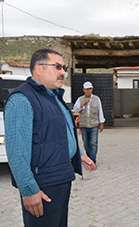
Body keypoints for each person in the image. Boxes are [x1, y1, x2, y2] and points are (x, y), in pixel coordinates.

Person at [4, 48, 96, 227]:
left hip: (61, 177)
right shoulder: (22, 100)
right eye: (58, 67)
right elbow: (16, 152)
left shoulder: (54, 97)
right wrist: (29, 190)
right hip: (42, 185)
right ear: (39, 68)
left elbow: (62, 132)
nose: (63, 72)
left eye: (64, 68)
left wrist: (79, 154)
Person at [73, 81, 105, 164]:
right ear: (83, 90)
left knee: (93, 143)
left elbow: (100, 111)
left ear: (92, 89)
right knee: (86, 144)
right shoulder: (80, 99)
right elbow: (75, 111)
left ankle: (93, 160)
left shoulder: (96, 99)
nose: (88, 91)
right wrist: (82, 105)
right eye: (86, 89)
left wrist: (101, 123)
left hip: (94, 125)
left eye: (90, 89)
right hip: (84, 125)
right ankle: (88, 158)